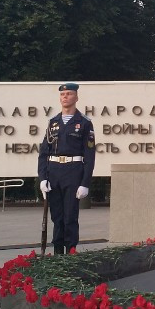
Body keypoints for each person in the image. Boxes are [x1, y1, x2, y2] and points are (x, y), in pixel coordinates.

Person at [38, 83, 96, 254]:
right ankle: (58, 254)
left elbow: (90, 155)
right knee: (57, 217)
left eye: (69, 94)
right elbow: (44, 153)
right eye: (63, 94)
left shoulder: (84, 123)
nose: (65, 97)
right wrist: (42, 178)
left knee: (70, 216)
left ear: (76, 97)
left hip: (73, 171)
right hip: (54, 172)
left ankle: (70, 253)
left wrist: (85, 183)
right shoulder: (53, 122)